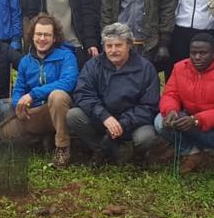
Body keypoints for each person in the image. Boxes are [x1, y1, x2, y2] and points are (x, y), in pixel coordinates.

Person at [67, 23, 160, 166]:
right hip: (102, 120)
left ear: (129, 45)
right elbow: (83, 94)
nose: (113, 50)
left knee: (146, 137)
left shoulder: (146, 68)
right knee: (74, 115)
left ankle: (133, 154)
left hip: (132, 123)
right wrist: (104, 116)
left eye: (118, 45)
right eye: (109, 46)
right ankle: (102, 149)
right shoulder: (93, 65)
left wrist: (123, 123)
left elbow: (149, 105)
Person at [155, 33, 214, 177]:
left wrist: (197, 119)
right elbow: (170, 94)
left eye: (203, 53)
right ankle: (192, 152)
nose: (197, 57)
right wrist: (171, 111)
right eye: (193, 53)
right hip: (190, 121)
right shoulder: (179, 67)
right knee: (160, 121)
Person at [0, 14, 78, 163]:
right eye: (39, 34)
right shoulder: (25, 61)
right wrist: (18, 106)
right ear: (32, 36)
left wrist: (33, 94)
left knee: (57, 96)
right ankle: (42, 138)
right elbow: (19, 89)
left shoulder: (67, 56)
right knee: (7, 132)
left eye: (47, 35)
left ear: (55, 38)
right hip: (34, 112)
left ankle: (62, 146)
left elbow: (68, 82)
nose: (42, 39)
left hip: (58, 110)